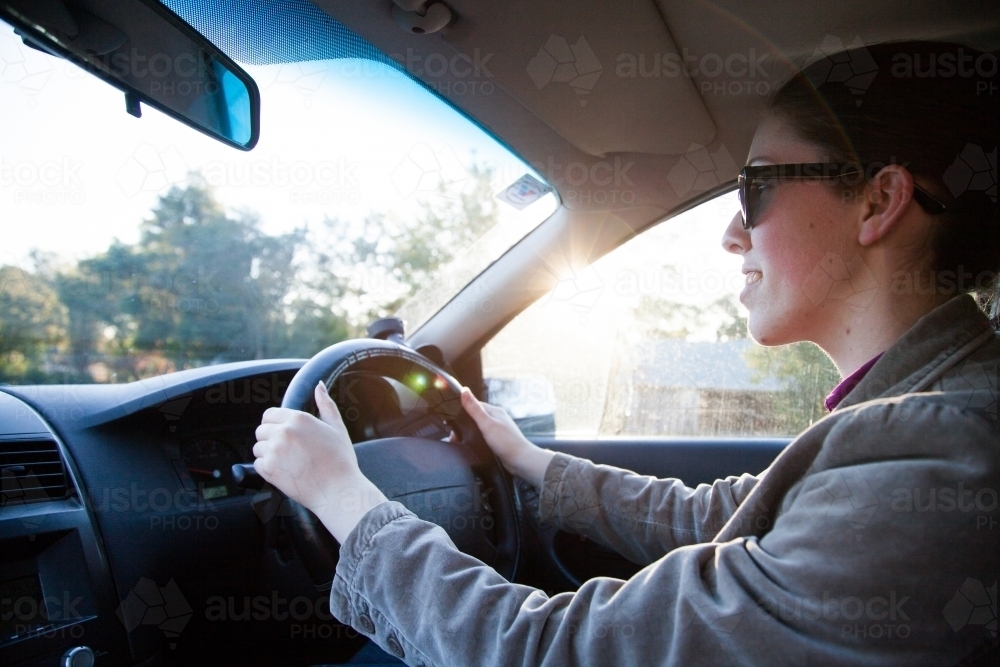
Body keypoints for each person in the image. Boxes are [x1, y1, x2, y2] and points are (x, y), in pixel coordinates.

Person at [252, 41, 999, 666]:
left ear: (877, 201)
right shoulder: (919, 415)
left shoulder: (937, 454)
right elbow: (722, 515)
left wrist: (348, 500)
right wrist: (529, 460)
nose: (732, 234)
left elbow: (559, 652)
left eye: (755, 189)